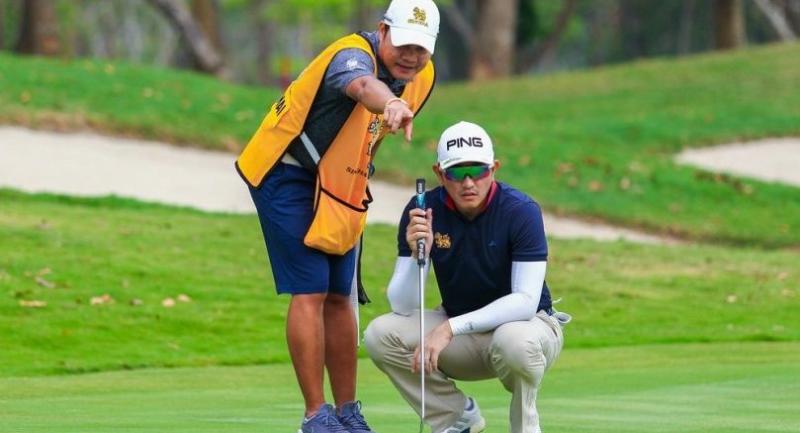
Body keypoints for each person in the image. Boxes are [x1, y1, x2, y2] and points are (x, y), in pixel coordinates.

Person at [234, 1, 439, 433]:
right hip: (286, 170)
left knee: (340, 293)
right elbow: (362, 86)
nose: (411, 57)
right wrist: (391, 103)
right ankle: (316, 416)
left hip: (342, 181)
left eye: (421, 49)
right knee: (311, 288)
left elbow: (368, 137)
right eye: (403, 44)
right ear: (383, 30)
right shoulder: (352, 56)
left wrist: (359, 177)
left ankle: (347, 413)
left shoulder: (422, 78)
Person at [364, 121, 571, 433]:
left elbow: (525, 302)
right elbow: (402, 305)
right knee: (380, 335)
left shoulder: (520, 210)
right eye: (456, 173)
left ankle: (526, 428)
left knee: (514, 341)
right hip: (463, 337)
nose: (469, 182)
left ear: (494, 168)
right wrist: (418, 255)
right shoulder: (423, 211)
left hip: (528, 328)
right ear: (439, 174)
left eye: (478, 171)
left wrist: (449, 328)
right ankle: (456, 417)